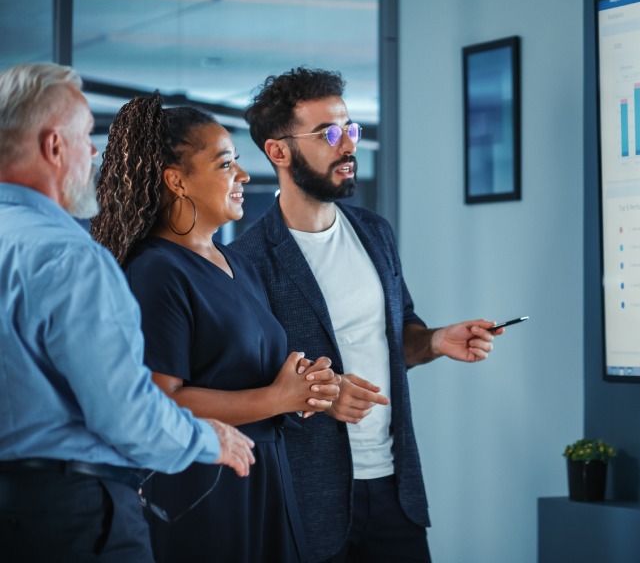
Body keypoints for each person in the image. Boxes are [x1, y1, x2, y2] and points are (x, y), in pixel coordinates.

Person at [231, 67, 503, 562]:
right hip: (308, 499)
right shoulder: (248, 260)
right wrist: (322, 396)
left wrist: (437, 340)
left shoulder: (375, 233)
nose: (347, 145)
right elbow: (248, 386)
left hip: (395, 490)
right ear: (279, 151)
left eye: (350, 129)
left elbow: (399, 337)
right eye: (328, 134)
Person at [0, 62, 256, 563]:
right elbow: (125, 412)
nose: (93, 153)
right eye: (84, 137)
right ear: (54, 147)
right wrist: (209, 441)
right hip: (68, 519)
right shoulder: (67, 255)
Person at [90, 93, 342, 562]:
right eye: (226, 164)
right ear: (177, 181)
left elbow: (244, 371)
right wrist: (275, 398)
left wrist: (305, 388)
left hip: (265, 477)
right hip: (205, 491)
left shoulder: (236, 264)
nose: (244, 176)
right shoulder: (156, 272)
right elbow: (161, 401)